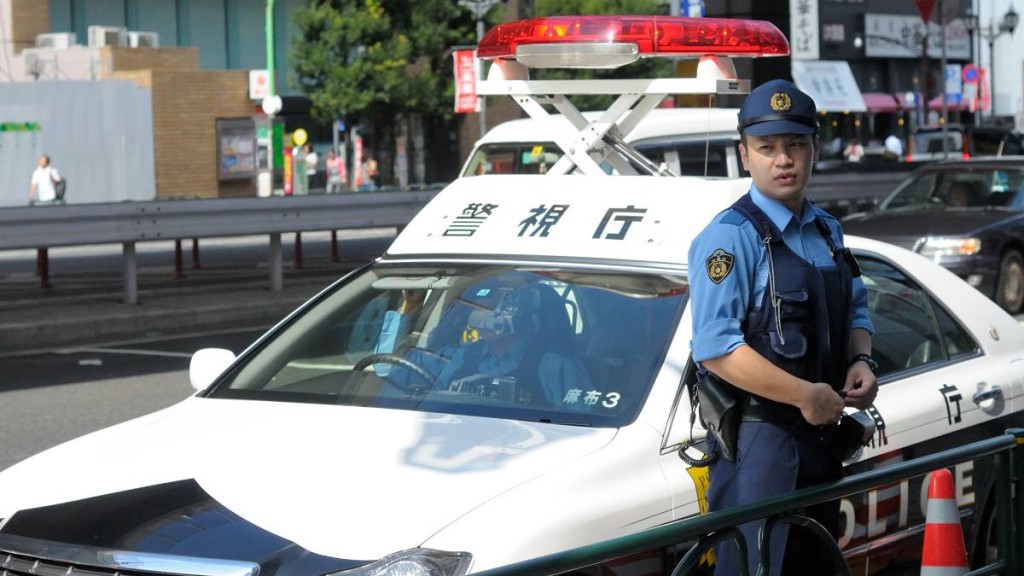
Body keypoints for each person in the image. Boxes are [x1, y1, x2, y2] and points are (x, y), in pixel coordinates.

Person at [687, 79, 878, 576]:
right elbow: (716, 347)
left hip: (820, 441)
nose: (783, 159)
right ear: (744, 155)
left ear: (814, 147)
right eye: (767, 147)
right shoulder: (730, 237)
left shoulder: (826, 230)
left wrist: (861, 359)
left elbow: (856, 308)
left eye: (795, 144)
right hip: (759, 446)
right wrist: (804, 395)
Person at [380, 284, 592, 408]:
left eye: (494, 308)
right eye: (477, 308)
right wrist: (411, 306)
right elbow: (387, 368)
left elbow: (586, 428)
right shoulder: (457, 357)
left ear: (526, 317)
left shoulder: (556, 367)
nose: (480, 316)